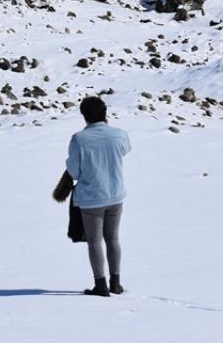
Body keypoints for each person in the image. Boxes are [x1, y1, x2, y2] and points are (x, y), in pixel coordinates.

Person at [65, 96, 131, 297]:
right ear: (105, 113)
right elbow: (125, 151)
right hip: (116, 195)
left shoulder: (79, 139)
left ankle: (100, 285)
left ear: (84, 116)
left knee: (95, 241)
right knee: (113, 239)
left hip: (91, 197)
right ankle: (116, 282)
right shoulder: (119, 135)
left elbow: (74, 172)